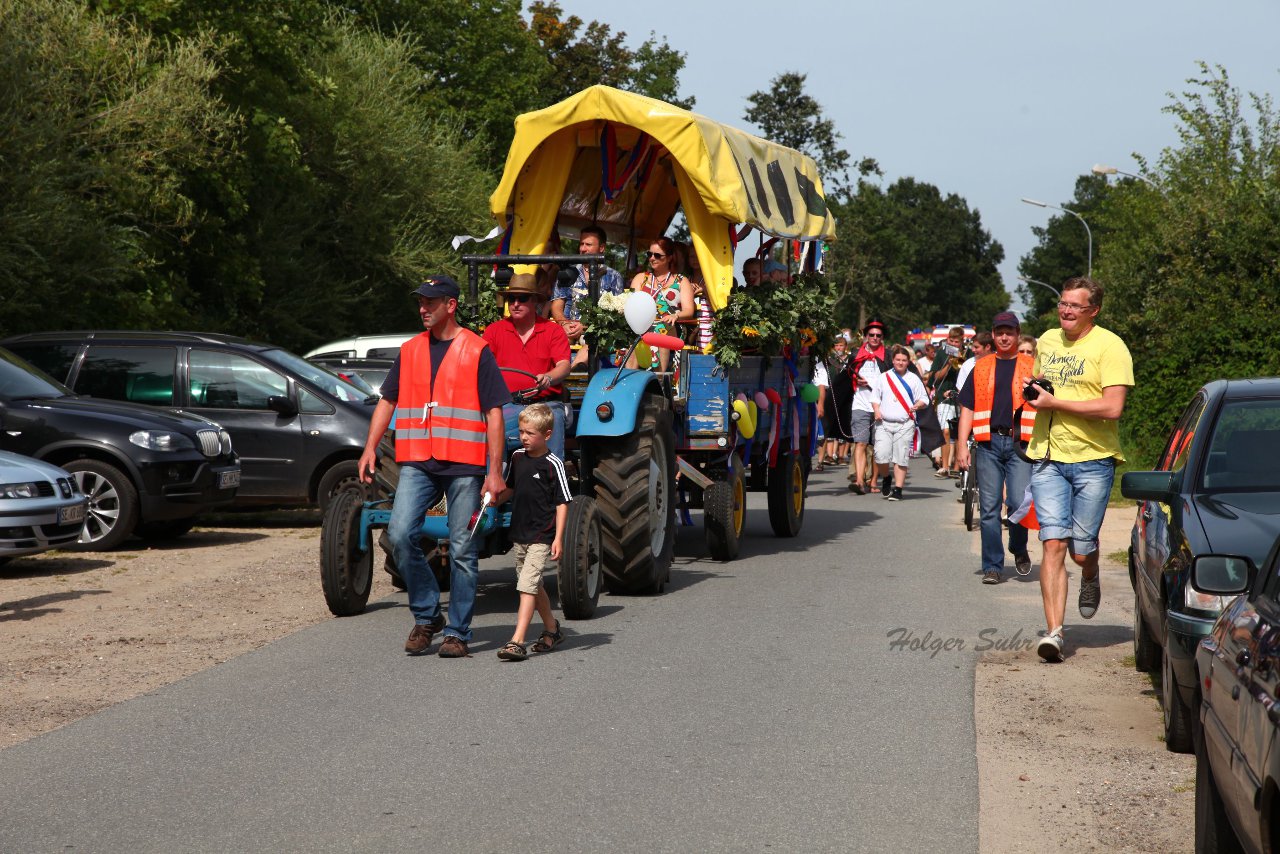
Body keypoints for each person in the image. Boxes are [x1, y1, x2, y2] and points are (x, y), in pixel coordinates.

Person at [359, 274, 508, 659]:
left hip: (464, 465)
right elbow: (387, 402)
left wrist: (494, 470)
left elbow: (494, 412)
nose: (423, 308)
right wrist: (370, 448)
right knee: (400, 534)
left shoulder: (477, 349)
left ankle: (457, 631)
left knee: (462, 548)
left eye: (431, 302)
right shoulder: (410, 350)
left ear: (451, 305)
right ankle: (428, 616)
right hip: (419, 461)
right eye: (420, 302)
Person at [1023, 278, 1134, 662]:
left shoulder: (1111, 346)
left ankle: (1090, 573)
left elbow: (1112, 407)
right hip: (1048, 457)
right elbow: (1046, 390)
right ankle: (1054, 633)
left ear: (1094, 311)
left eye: (1075, 306)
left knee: (1080, 551)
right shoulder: (1048, 340)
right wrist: (1036, 391)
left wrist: (1057, 402)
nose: (1066, 311)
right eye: (1062, 304)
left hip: (1093, 460)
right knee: (1052, 543)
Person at [955, 313, 1036, 585]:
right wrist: (961, 445)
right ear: (992, 334)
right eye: (999, 332)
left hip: (1020, 445)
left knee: (1018, 503)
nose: (1004, 337)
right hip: (988, 443)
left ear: (1017, 334)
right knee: (989, 508)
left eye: (1009, 332)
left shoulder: (1031, 366)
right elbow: (967, 406)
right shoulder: (981, 366)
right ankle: (992, 565)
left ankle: (1018, 546)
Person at [493, 403, 572, 661]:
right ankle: (552, 629)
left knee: (526, 585)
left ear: (547, 435)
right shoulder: (517, 457)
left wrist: (558, 538)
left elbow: (562, 502)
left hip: (542, 534)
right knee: (533, 584)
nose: (523, 437)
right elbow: (512, 488)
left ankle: (517, 640)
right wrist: (493, 499)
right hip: (521, 534)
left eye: (530, 433)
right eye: (522, 432)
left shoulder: (554, 464)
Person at [483, 272, 573, 460]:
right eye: (511, 299)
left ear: (535, 302)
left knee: (553, 419)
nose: (515, 304)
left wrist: (548, 377)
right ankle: (494, 482)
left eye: (522, 298)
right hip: (508, 405)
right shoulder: (494, 331)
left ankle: (551, 482)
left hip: (544, 405)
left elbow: (564, 366)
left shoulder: (552, 330)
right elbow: (481, 368)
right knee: (487, 430)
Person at [551, 226, 624, 366]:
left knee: (593, 339)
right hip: (568, 327)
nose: (583, 249)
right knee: (559, 339)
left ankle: (571, 370)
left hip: (595, 330)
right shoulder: (568, 272)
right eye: (581, 244)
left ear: (601, 248)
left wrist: (585, 326)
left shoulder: (613, 276)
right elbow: (556, 305)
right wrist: (564, 323)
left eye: (588, 244)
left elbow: (616, 314)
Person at [870, 345, 928, 501]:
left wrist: (918, 405)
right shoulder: (883, 377)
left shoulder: (913, 378)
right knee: (880, 455)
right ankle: (886, 477)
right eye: (898, 360)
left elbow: (924, 398)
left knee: (901, 457)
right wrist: (876, 410)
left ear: (908, 362)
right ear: (893, 360)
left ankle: (898, 489)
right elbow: (875, 397)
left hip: (905, 423)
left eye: (904, 360)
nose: (900, 363)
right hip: (884, 423)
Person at [630, 237, 694, 371]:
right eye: (650, 254)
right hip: (643, 325)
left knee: (660, 330)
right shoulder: (641, 278)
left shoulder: (681, 281)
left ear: (670, 257)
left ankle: (659, 377)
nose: (652, 258)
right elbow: (631, 304)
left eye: (657, 255)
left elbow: (689, 310)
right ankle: (629, 380)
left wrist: (675, 316)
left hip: (670, 324)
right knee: (635, 333)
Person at [846, 320, 889, 494]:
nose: (874, 338)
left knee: (877, 446)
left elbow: (891, 378)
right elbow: (848, 374)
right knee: (861, 443)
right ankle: (859, 481)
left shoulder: (887, 355)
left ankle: (873, 482)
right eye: (871, 335)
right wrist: (855, 380)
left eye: (878, 335)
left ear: (882, 337)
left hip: (880, 407)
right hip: (860, 404)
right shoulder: (856, 353)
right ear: (866, 336)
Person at [929, 326, 968, 478]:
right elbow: (936, 377)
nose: (953, 343)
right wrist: (949, 364)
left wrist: (960, 359)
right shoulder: (941, 353)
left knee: (959, 433)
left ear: (961, 341)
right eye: (950, 340)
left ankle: (957, 467)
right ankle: (944, 466)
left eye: (956, 341)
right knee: (945, 431)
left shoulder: (967, 353)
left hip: (961, 397)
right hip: (943, 395)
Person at [822, 338, 851, 465]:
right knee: (830, 423)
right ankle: (829, 455)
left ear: (845, 346)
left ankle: (841, 455)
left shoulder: (850, 359)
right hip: (831, 393)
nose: (839, 348)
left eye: (841, 345)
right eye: (836, 346)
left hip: (845, 395)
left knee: (844, 424)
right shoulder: (830, 359)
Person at [954, 331, 994, 400]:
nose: (973, 350)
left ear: (987, 347)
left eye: (976, 347)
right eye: (972, 346)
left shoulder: (1000, 362)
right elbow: (961, 392)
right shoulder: (967, 365)